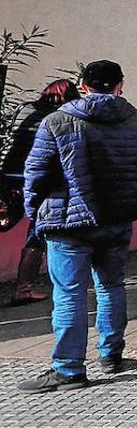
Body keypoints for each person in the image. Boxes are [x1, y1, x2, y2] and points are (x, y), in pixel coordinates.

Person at [17, 61, 137, 393]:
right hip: (117, 218)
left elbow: (35, 173)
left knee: (69, 293)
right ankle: (111, 355)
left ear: (83, 85)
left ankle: (69, 369)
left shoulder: (56, 121)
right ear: (120, 86)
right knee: (111, 286)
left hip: (66, 221)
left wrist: (34, 213)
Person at [1, 79, 79, 304]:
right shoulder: (63, 119)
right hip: (41, 181)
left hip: (9, 176)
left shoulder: (25, 110)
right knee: (36, 232)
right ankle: (24, 288)